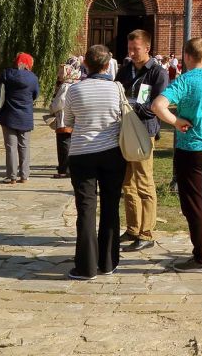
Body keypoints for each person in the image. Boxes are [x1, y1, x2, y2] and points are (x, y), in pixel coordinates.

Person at [152, 37, 202, 273]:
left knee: (193, 204)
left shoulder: (185, 80)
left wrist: (176, 121)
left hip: (191, 148)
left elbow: (158, 105)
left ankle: (201, 257)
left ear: (187, 56)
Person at [63, 44, 127, 280]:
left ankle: (86, 266)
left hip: (82, 154)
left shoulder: (74, 90)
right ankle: (108, 262)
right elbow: (122, 116)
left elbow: (68, 121)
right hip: (112, 152)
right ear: (107, 65)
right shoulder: (117, 88)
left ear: (85, 64)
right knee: (110, 206)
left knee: (86, 209)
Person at [116, 29, 168, 252]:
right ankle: (133, 228)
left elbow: (155, 106)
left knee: (144, 181)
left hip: (144, 132)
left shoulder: (157, 73)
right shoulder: (125, 69)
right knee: (127, 182)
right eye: (129, 49)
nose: (131, 53)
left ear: (147, 48)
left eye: (135, 49)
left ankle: (146, 233)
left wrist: (132, 105)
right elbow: (116, 93)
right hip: (125, 130)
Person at [0, 53, 39, 184]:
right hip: (25, 116)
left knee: (11, 147)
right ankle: (24, 176)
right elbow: (35, 95)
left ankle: (11, 176)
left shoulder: (7, 74)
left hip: (9, 115)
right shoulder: (33, 78)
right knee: (24, 146)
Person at [48, 62, 80, 178]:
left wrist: (51, 108)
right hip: (73, 118)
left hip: (64, 119)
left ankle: (64, 170)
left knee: (63, 145)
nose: (59, 74)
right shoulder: (76, 84)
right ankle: (69, 168)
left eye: (61, 72)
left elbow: (60, 102)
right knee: (70, 144)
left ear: (68, 73)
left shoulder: (65, 86)